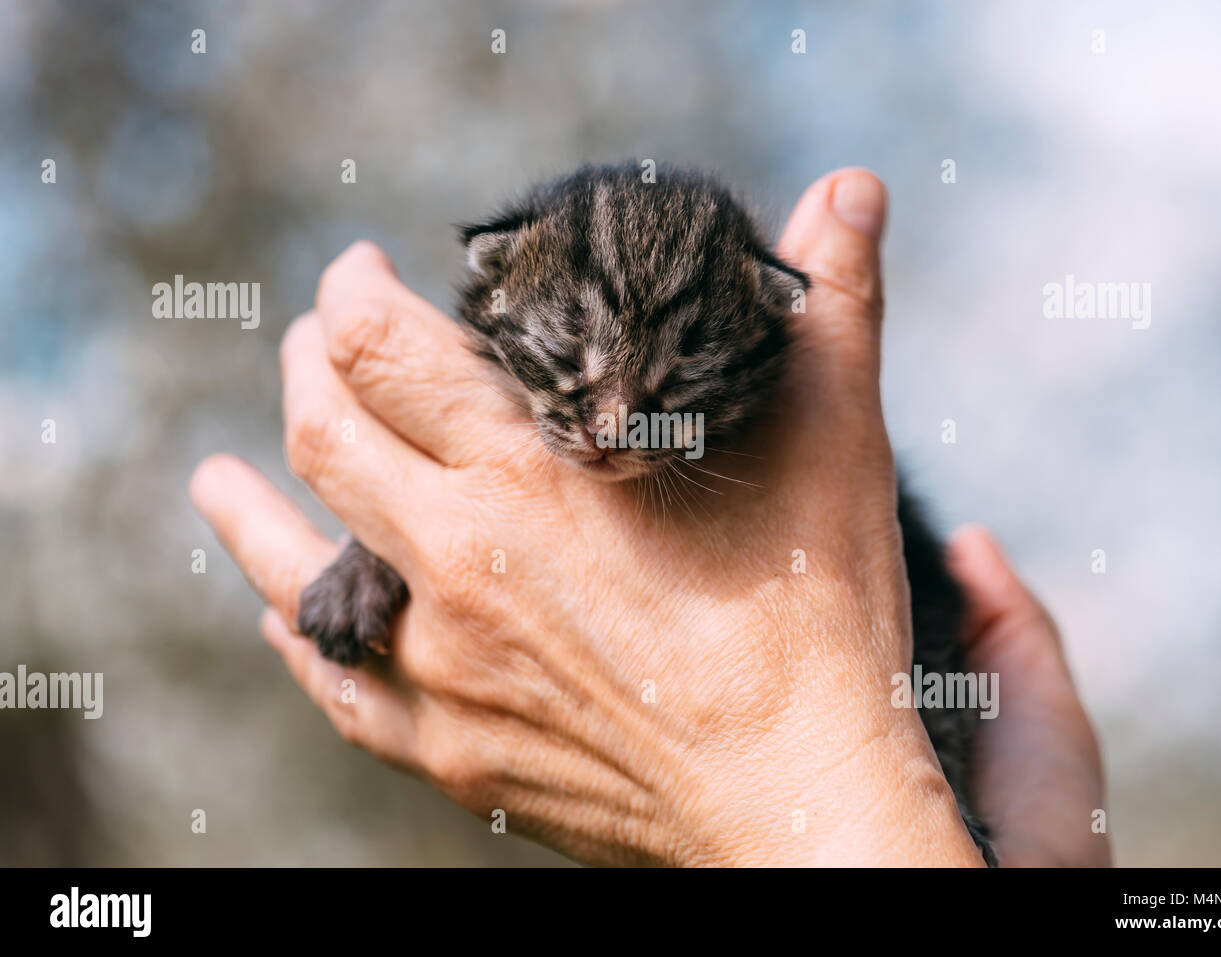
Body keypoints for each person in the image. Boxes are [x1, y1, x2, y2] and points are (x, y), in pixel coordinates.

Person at [190, 169, 1111, 867]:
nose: (616, 427)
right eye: (572, 370)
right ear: (494, 289)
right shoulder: (493, 363)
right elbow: (448, 505)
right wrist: (379, 551)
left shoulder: (828, 491)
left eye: (674, 388)